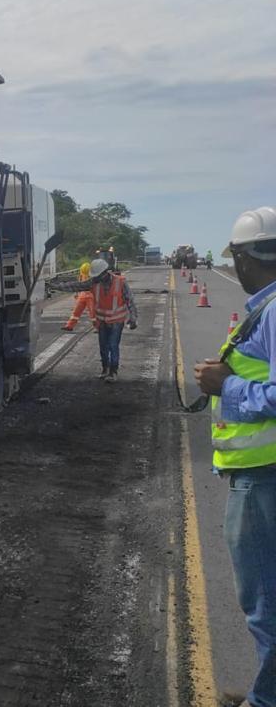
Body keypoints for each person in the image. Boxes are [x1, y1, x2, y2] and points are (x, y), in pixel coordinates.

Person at [194, 206, 276, 707]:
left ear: (246, 259)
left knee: (265, 603)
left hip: (264, 479)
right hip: (260, 477)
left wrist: (228, 385)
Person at [51, 258, 137, 381]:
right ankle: (105, 369)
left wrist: (133, 318)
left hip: (116, 322)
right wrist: (55, 286)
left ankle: (113, 372)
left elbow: (130, 300)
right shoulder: (94, 283)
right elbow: (76, 286)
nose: (96, 278)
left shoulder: (121, 282)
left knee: (113, 346)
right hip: (101, 321)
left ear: (105, 272)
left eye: (98, 275)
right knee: (103, 347)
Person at [63, 262, 96, 331]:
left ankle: (98, 328)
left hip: (90, 296)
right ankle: (69, 326)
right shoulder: (82, 275)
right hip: (83, 295)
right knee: (76, 312)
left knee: (93, 313)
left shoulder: (93, 277)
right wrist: (77, 293)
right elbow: (78, 285)